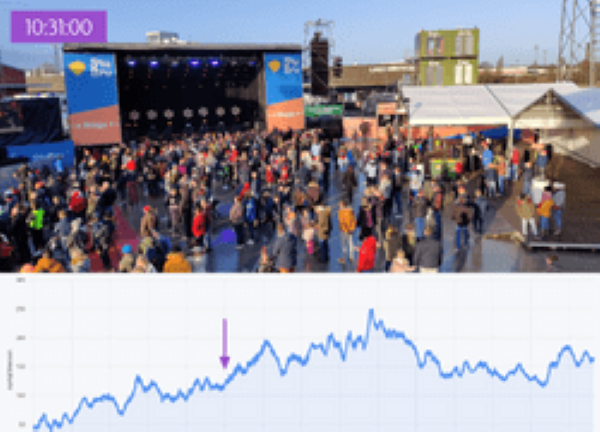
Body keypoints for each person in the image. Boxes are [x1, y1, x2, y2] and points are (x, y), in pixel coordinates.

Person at [337, 199, 356, 264]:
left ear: (342, 205)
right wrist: (352, 229)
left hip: (344, 230)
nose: (339, 206)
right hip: (350, 229)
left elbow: (341, 222)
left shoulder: (341, 212)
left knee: (344, 245)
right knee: (350, 244)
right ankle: (351, 258)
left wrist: (345, 230)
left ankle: (344, 258)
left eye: (340, 205)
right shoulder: (351, 210)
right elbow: (353, 220)